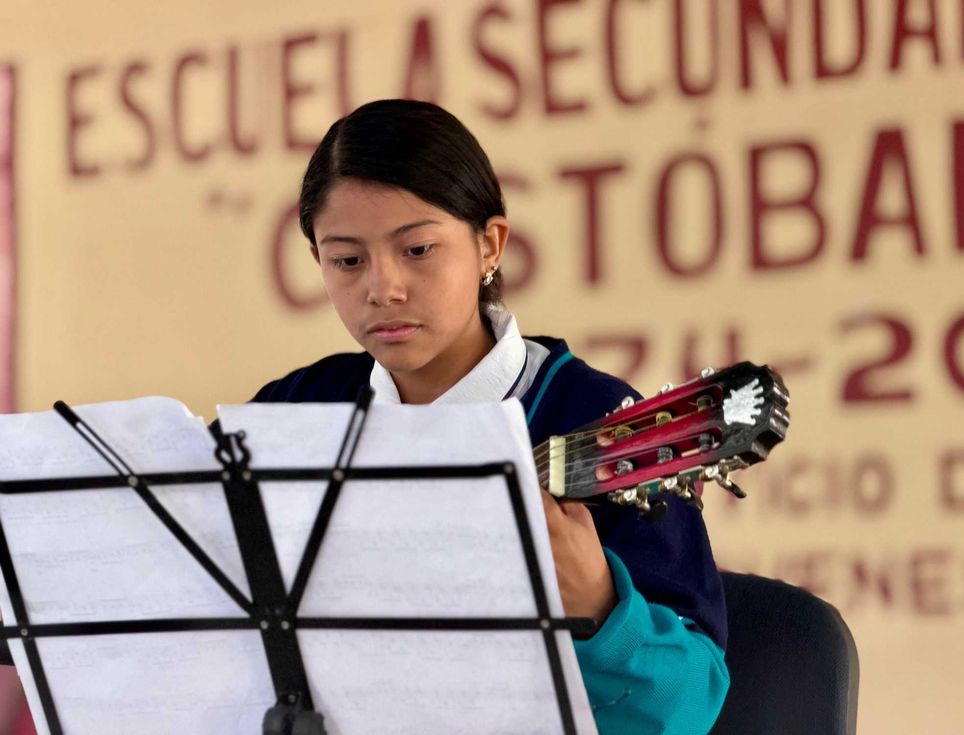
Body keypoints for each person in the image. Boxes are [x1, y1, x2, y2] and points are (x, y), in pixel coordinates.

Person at [251, 99, 729, 734]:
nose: (383, 288)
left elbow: (692, 703)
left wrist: (598, 608)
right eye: (347, 260)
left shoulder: (600, 420)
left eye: (418, 248)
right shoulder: (290, 414)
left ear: (489, 244)